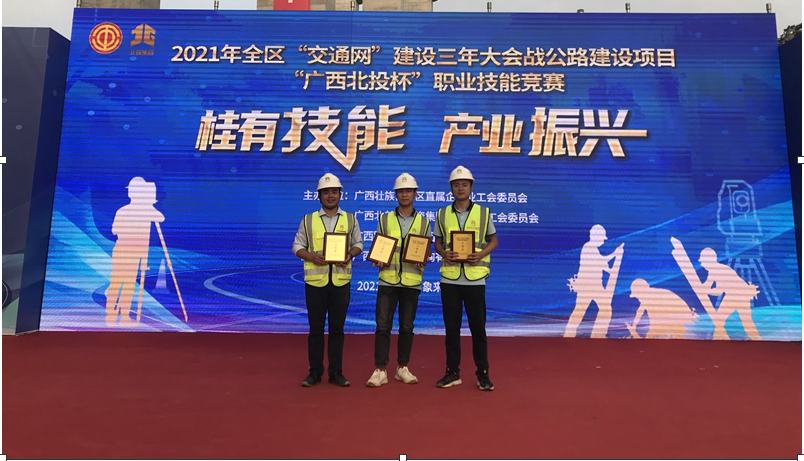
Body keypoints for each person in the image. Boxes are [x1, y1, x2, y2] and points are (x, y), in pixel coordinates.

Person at [292, 173, 363, 387]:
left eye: (334, 192)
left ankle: (336, 372)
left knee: (337, 330)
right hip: (315, 284)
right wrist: (311, 257)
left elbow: (358, 244)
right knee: (315, 330)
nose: (330, 196)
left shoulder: (350, 219)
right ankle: (314, 372)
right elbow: (297, 246)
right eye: (326, 192)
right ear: (319, 195)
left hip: (340, 282)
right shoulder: (308, 219)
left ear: (340, 194)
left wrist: (349, 255)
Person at [433, 165, 498, 391]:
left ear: (471, 187)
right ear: (451, 188)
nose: (460, 188)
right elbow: (437, 242)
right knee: (451, 329)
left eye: (464, 184)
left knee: (478, 329)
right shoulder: (442, 214)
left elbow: (494, 241)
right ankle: (452, 372)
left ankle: (483, 373)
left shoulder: (483, 212)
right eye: (456, 185)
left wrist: (480, 254)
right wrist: (444, 253)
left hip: (475, 278)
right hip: (450, 279)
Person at [366, 173, 432, 388]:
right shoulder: (385, 219)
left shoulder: (424, 222)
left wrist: (425, 257)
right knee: (382, 326)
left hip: (411, 282)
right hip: (388, 280)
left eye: (408, 191)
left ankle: (402, 367)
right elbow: (379, 247)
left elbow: (426, 250)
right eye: (401, 191)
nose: (404, 194)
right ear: (395, 194)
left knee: (407, 327)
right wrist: (377, 258)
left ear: (415, 194)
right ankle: (380, 369)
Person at [106, 177, 164, 327]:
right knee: (120, 283)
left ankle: (121, 316)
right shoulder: (125, 211)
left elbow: (160, 218)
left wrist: (148, 206)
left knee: (127, 285)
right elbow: (115, 230)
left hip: (132, 252)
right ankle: (113, 315)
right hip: (125, 251)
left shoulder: (140, 211)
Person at [564, 224, 624, 339]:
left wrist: (613, 264)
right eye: (602, 238)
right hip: (588, 286)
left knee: (602, 309)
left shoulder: (593, 249)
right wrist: (615, 254)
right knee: (581, 311)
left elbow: (603, 265)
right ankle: (569, 334)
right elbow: (602, 262)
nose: (603, 241)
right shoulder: (588, 248)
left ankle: (596, 334)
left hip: (595, 286)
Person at [698, 248, 761, 340]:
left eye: (703, 261)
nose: (702, 264)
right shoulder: (713, 271)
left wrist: (706, 291)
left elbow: (718, 291)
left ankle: (757, 340)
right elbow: (707, 285)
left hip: (739, 295)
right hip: (734, 295)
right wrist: (701, 288)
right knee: (720, 321)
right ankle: (719, 338)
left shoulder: (720, 270)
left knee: (743, 321)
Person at [627, 278, 698, 339]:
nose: (638, 298)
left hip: (682, 321)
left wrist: (642, 335)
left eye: (637, 296)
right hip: (685, 319)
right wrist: (634, 325)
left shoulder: (652, 300)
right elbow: (640, 311)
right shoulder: (649, 295)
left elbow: (654, 326)